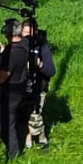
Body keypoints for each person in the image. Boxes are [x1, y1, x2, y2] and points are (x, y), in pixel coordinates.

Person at [0, 19, 31, 159]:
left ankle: (14, 155)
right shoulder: (23, 45)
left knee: (6, 127)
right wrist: (1, 50)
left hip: (8, 94)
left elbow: (1, 76)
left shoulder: (13, 53)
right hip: (13, 91)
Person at [21, 19, 56, 151]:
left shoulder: (42, 47)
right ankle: (27, 137)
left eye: (29, 33)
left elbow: (51, 71)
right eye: (24, 32)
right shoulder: (19, 46)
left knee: (36, 115)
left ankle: (42, 138)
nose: (26, 36)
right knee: (24, 113)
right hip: (22, 86)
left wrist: (40, 65)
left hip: (38, 86)